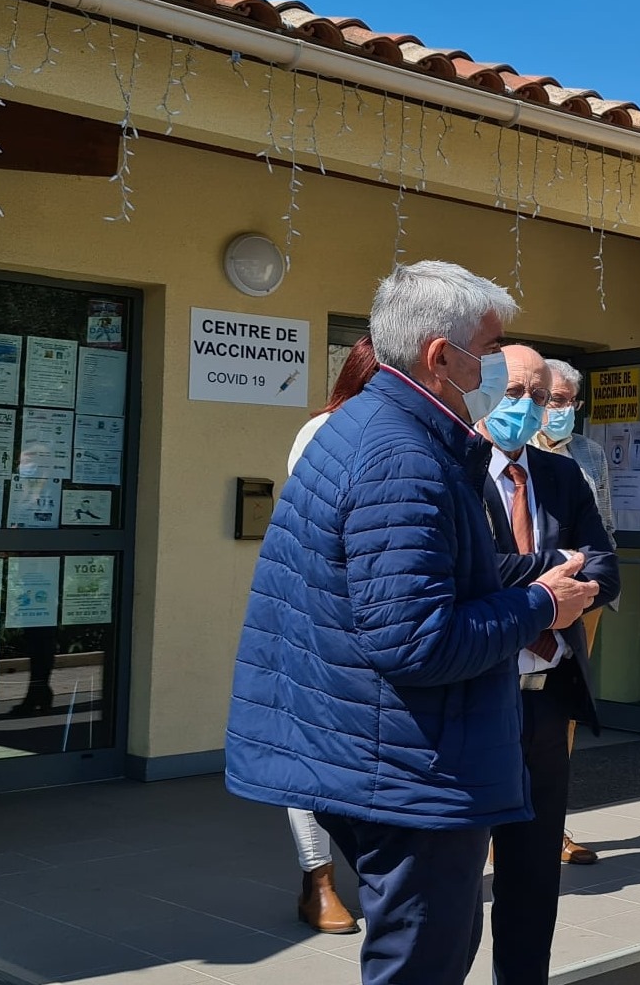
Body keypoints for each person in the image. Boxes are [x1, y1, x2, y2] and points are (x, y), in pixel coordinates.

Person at [224, 261, 599, 985]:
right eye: (489, 351)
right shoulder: (401, 456)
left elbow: (407, 596)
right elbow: (417, 641)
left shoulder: (378, 428)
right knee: (423, 957)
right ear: (440, 357)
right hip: (406, 765)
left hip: (385, 751)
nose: (497, 369)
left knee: (433, 947)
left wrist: (527, 584)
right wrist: (542, 605)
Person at [477, 344, 620, 984]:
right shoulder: (452, 469)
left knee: (534, 877)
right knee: (458, 874)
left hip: (548, 697)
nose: (529, 407)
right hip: (478, 694)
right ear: (481, 389)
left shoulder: (563, 475)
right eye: (515, 392)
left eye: (539, 396)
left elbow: (608, 570)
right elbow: (475, 573)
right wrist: (553, 576)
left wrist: (543, 580)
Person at [278, 335, 378, 936]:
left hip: (387, 621)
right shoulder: (321, 433)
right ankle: (316, 879)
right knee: (310, 750)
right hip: (324, 616)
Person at [531, 357, 615, 865]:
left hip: (582, 600)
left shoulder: (590, 454)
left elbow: (604, 525)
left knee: (563, 711)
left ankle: (552, 824)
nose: (559, 409)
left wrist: (597, 589)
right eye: (551, 400)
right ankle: (498, 827)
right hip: (527, 596)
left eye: (567, 401)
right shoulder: (508, 447)